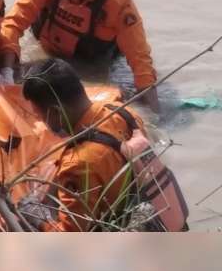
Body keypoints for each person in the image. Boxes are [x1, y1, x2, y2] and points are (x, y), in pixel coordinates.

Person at [0, 0, 160, 111]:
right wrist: (6, 71)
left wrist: (154, 114)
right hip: (45, 56)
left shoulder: (121, 6)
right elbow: (13, 22)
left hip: (88, 69)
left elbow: (141, 62)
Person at [19, 59, 180, 232]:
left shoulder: (78, 164)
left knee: (26, 213)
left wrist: (37, 216)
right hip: (141, 207)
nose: (41, 121)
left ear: (56, 111)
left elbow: (70, 234)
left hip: (111, 225)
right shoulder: (123, 112)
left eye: (40, 115)